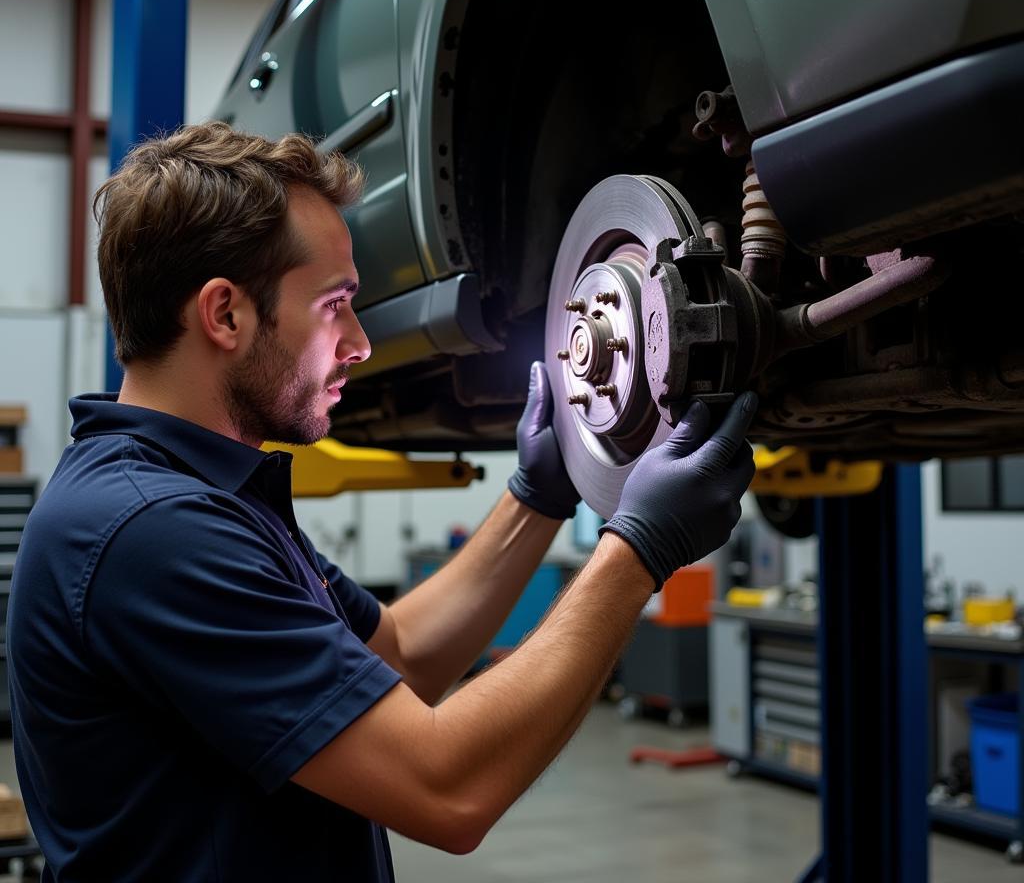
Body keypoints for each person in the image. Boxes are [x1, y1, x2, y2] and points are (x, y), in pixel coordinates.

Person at [7, 122, 756, 881]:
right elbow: (447, 787)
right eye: (335, 304)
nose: (361, 343)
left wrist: (537, 497)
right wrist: (636, 553)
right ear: (224, 315)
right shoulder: (149, 531)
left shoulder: (203, 495)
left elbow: (396, 653)